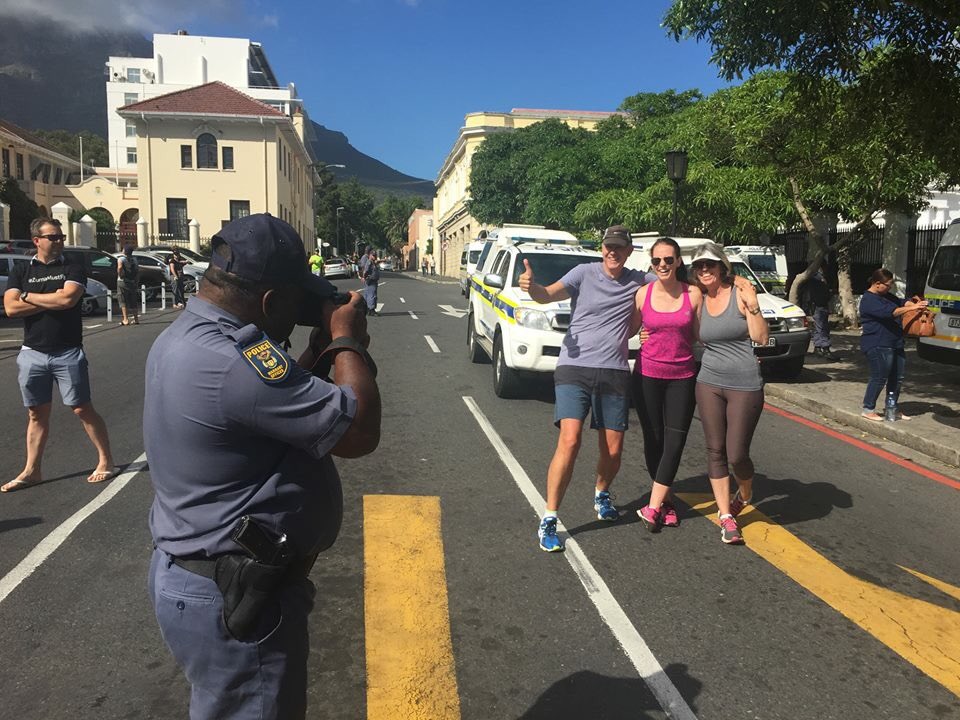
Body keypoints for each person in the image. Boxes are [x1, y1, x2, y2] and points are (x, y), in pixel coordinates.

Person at [144, 213, 380, 720]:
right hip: (233, 592)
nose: (300, 312)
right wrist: (346, 339)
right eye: (296, 302)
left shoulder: (196, 334)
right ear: (270, 301)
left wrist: (315, 350)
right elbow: (359, 432)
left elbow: (269, 403)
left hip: (205, 577)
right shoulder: (233, 361)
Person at [520, 225, 651, 552]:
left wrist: (731, 282)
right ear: (602, 248)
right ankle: (550, 517)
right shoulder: (583, 273)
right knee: (570, 440)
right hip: (574, 367)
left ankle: (601, 493)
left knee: (613, 449)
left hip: (614, 371)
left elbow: (675, 288)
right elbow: (547, 295)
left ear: (629, 251)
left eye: (619, 247)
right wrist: (531, 287)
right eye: (608, 246)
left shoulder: (639, 280)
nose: (612, 252)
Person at [1, 217, 117, 492]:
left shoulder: (72, 266)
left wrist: (27, 296)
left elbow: (67, 299)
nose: (59, 241)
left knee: (81, 408)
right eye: (53, 237)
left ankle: (106, 460)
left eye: (61, 236)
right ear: (37, 240)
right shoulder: (22, 269)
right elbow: (11, 309)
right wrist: (49, 299)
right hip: (32, 353)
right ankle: (32, 471)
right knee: (36, 414)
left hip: (67, 352)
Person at [690, 242, 768, 545]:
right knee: (715, 450)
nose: (704, 270)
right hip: (708, 381)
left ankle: (745, 493)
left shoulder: (741, 293)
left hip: (744, 384)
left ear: (722, 266)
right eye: (699, 266)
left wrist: (753, 303)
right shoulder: (698, 298)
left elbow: (761, 337)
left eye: (710, 264)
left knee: (737, 454)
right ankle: (726, 516)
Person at [632, 238, 703, 532]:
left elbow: (701, 335)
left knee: (675, 442)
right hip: (647, 375)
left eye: (668, 260)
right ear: (651, 263)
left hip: (682, 377)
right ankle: (667, 502)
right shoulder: (643, 293)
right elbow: (631, 328)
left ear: (678, 262)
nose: (662, 265)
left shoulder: (693, 294)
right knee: (654, 440)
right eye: (657, 260)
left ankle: (653, 506)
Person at [858, 268, 927, 422]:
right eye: (888, 285)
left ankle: (892, 408)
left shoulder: (886, 296)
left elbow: (900, 302)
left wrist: (914, 303)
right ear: (877, 283)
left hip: (895, 342)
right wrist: (911, 308)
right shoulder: (869, 300)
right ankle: (868, 409)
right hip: (878, 343)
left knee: (897, 378)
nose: (889, 288)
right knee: (879, 377)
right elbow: (891, 313)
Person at [802, 268, 836, 358]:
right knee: (822, 327)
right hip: (819, 305)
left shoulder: (814, 277)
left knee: (818, 327)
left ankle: (817, 347)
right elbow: (820, 293)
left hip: (818, 305)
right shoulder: (816, 278)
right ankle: (825, 348)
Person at [117, 244, 140, 325]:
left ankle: (125, 319)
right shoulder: (134, 259)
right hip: (132, 281)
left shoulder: (121, 259)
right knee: (133, 300)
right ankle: (136, 319)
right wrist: (136, 281)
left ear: (124, 251)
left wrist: (120, 274)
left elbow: (120, 267)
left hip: (123, 281)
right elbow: (137, 271)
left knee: (123, 300)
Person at [361, 247, 380, 316]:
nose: (375, 257)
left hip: (372, 280)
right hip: (371, 281)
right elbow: (365, 271)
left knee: (368, 294)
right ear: (370, 255)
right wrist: (364, 277)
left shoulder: (372, 262)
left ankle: (367, 309)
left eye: (375, 255)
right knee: (372, 295)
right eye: (373, 255)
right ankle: (371, 310)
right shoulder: (369, 262)